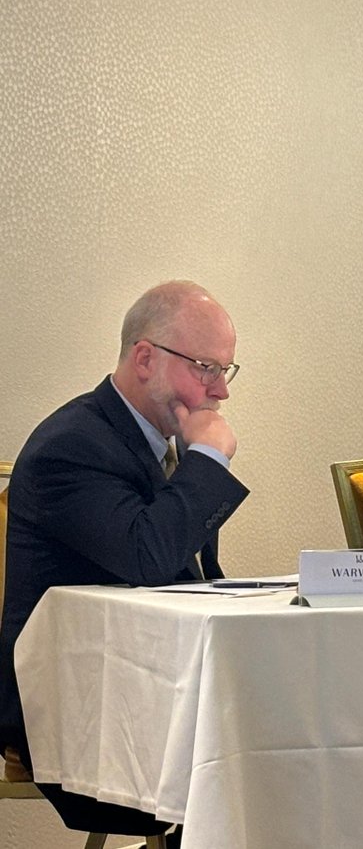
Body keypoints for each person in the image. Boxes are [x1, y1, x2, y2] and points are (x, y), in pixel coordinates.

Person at [0, 280, 248, 840]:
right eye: (206, 367)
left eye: (225, 371)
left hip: (146, 685)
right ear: (144, 358)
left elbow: (186, 573)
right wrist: (208, 458)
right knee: (248, 766)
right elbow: (148, 557)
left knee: (279, 741)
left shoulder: (163, 436)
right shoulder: (73, 444)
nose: (220, 392)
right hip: (72, 705)